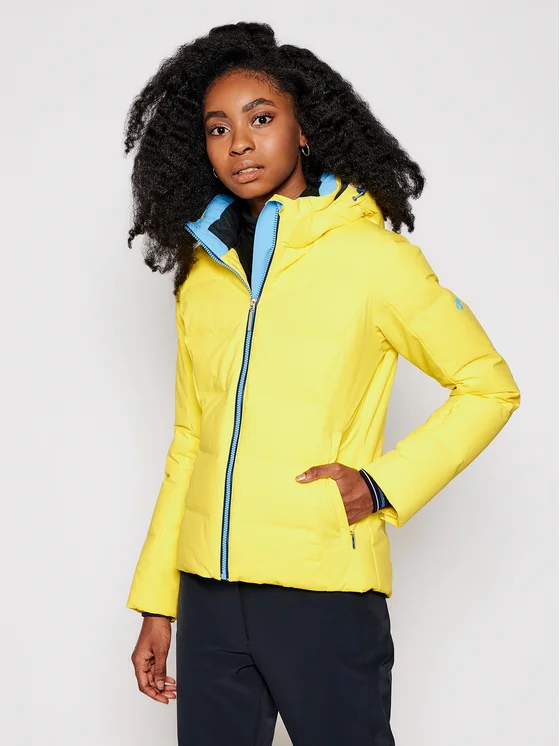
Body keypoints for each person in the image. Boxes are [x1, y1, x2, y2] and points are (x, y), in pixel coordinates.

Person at [124, 21, 520, 745]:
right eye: (218, 128)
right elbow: (190, 441)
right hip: (208, 599)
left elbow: (488, 386)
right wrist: (158, 600)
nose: (239, 144)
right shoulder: (203, 279)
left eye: (261, 119)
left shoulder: (373, 259)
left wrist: (380, 485)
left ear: (303, 129)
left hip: (322, 593)